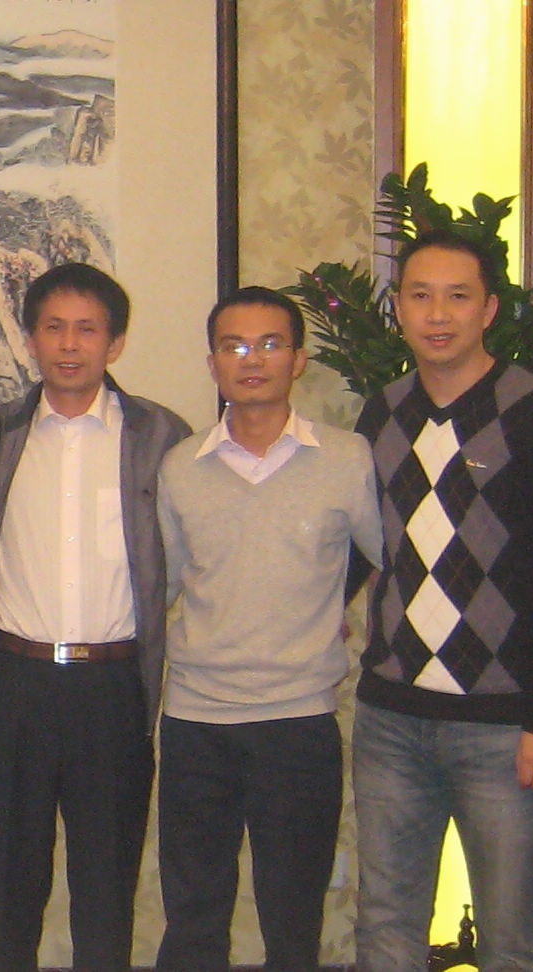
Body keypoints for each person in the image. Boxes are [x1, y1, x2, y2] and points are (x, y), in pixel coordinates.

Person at [352, 232, 533, 972]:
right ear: (399, 310)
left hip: (505, 727)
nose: (438, 314)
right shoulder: (381, 415)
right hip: (391, 719)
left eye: (457, 296)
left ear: (489, 309)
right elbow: (359, 551)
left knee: (511, 940)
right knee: (385, 928)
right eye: (420, 296)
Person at [154, 286, 383, 972]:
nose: (251, 360)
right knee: (193, 919)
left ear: (298, 360)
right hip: (196, 720)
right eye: (234, 346)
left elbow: (389, 559)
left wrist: (335, 614)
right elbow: (163, 584)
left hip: (297, 722)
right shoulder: (181, 466)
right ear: (213, 363)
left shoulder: (348, 459)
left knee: (293, 919)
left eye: (269, 344)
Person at [0, 263, 190, 972]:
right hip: (13, 683)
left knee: (106, 890)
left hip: (112, 688)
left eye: (87, 329)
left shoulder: (161, 436)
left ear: (114, 343)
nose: (70, 345)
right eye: (54, 328)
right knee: (9, 886)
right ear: (30, 339)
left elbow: (188, 556)